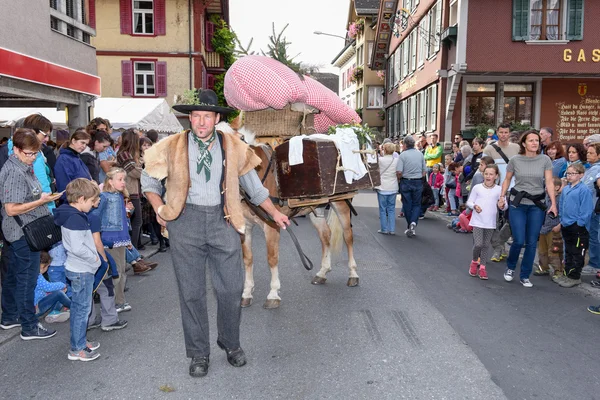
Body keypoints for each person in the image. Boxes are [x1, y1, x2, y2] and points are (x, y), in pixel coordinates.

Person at [141, 89, 290, 378]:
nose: (200, 122)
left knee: (231, 289)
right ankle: (198, 353)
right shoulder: (171, 145)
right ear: (190, 118)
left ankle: (230, 343)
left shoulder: (234, 146)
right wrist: (161, 210)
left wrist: (275, 213)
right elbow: (149, 179)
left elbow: (255, 188)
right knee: (191, 292)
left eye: (206, 116)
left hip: (224, 221)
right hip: (185, 222)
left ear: (216, 118)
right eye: (195, 116)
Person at [0, 129, 61, 339]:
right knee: (27, 280)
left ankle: (9, 317)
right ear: (16, 149)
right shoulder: (15, 171)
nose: (33, 157)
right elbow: (11, 209)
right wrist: (41, 201)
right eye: (29, 153)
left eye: (35, 153)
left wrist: (41, 196)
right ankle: (29, 326)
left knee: (15, 276)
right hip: (23, 233)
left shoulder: (22, 166)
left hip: (22, 231)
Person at [53, 178, 102, 361]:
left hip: (79, 267)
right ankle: (77, 349)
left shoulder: (72, 214)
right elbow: (77, 247)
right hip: (81, 268)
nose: (92, 205)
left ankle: (80, 341)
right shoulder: (74, 218)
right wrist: (95, 258)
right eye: (91, 201)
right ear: (81, 199)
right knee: (82, 309)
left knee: (80, 308)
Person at [499, 130, 556, 288]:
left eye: (537, 140)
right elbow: (507, 180)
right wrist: (502, 197)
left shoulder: (545, 159)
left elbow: (550, 182)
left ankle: (525, 275)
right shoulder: (515, 160)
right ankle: (510, 267)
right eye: (531, 140)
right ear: (524, 143)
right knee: (518, 239)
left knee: (531, 242)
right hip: (518, 203)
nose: (534, 143)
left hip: (536, 205)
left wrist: (553, 203)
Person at [89, 168, 144, 314]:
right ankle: (109, 304)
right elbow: (95, 215)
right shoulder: (104, 197)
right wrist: (98, 237)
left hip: (121, 238)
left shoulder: (119, 196)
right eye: (120, 179)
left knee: (122, 271)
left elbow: (122, 220)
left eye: (124, 179)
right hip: (109, 240)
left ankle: (120, 301)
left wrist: (128, 212)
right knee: (115, 272)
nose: (123, 182)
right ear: (110, 181)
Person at [86, 199, 128, 333]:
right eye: (96, 198)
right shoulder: (93, 218)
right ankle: (109, 320)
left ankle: (90, 320)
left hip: (82, 262)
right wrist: (104, 260)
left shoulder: (73, 217)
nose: (99, 199)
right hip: (97, 259)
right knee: (107, 288)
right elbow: (97, 241)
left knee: (87, 292)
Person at [483, 123, 520, 262]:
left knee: (510, 220)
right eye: (501, 132)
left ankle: (499, 244)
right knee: (492, 220)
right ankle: (498, 249)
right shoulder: (489, 149)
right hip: (495, 189)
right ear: (497, 133)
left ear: (509, 134)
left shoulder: (516, 148)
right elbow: (485, 170)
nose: (503, 135)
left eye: (506, 132)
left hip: (514, 190)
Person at [466, 164, 506, 280]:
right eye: (486, 174)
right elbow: (469, 202)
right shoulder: (477, 188)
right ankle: (474, 262)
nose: (488, 176)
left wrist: (502, 205)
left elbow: (504, 205)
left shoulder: (499, 189)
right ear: (483, 174)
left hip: (490, 222)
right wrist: (474, 206)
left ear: (496, 176)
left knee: (485, 245)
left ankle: (482, 268)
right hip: (478, 221)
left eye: (491, 174)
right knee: (478, 244)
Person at [557, 163, 593, 288]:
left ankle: (575, 276)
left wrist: (580, 223)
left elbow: (587, 210)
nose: (569, 176)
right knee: (568, 250)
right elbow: (562, 205)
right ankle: (567, 273)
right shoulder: (566, 189)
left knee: (577, 251)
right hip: (566, 224)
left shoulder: (584, 190)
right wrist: (562, 219)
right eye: (568, 173)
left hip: (577, 227)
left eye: (573, 174)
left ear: (581, 175)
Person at [117, 130, 144, 250]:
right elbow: (135, 173)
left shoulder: (128, 154)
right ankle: (132, 252)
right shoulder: (124, 155)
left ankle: (133, 252)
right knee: (136, 221)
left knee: (136, 222)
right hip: (128, 192)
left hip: (133, 191)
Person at [396, 135, 426, 238]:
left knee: (407, 204)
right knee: (417, 204)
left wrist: (399, 178)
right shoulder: (420, 154)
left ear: (405, 144)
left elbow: (399, 171)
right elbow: (424, 171)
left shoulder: (403, 155)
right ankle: (413, 222)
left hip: (406, 181)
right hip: (418, 181)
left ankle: (410, 224)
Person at [535, 177, 564, 278]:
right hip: (544, 227)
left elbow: (563, 214)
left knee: (554, 250)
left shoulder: (560, 199)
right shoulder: (545, 197)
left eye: (549, 186)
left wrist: (559, 225)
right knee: (542, 250)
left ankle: (558, 270)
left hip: (554, 228)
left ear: (556, 187)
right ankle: (543, 267)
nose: (546, 188)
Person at [54, 129, 93, 198]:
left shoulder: (77, 157)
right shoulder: (64, 159)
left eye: (86, 144)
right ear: (73, 141)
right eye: (82, 143)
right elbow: (64, 186)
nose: (84, 146)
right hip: (74, 201)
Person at [35, 251, 71, 323]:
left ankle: (53, 314)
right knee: (59, 293)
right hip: (36, 308)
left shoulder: (33, 274)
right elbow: (48, 287)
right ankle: (75, 308)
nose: (47, 268)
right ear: (42, 266)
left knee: (60, 293)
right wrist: (62, 285)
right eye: (48, 266)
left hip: (38, 304)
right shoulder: (37, 277)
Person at [375, 142, 399, 235]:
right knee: (391, 209)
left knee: (382, 209)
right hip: (393, 186)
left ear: (384, 150)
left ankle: (384, 229)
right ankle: (392, 229)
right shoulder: (396, 160)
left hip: (382, 187)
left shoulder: (380, 160)